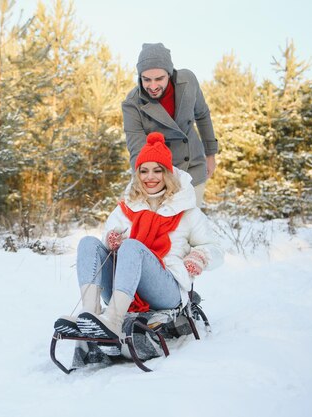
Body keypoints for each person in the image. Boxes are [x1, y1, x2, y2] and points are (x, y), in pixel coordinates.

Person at [54, 132, 223, 346]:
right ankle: (91, 315)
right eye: (143, 171)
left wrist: (199, 256)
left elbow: (216, 249)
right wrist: (111, 241)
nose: (149, 177)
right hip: (124, 288)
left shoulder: (186, 210)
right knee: (88, 243)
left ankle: (113, 321)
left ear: (168, 173)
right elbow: (106, 244)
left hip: (166, 289)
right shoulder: (126, 208)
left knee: (133, 246)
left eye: (157, 170)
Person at [122, 43, 218, 207]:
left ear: (169, 73)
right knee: (162, 229)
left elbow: (202, 115)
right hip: (159, 177)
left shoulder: (188, 81)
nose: (152, 86)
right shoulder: (132, 104)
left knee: (189, 225)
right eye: (146, 79)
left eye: (159, 78)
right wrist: (142, 183)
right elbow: (137, 148)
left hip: (193, 166)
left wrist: (210, 155)